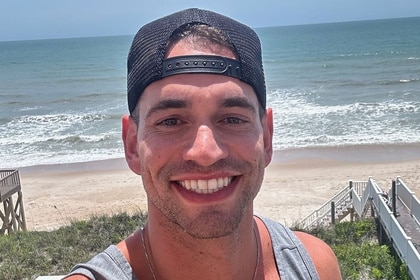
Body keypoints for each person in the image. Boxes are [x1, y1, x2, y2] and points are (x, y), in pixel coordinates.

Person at [64, 8, 342, 280]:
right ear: (132, 145)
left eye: (232, 119)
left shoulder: (315, 265)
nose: (206, 152)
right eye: (171, 121)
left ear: (267, 138)